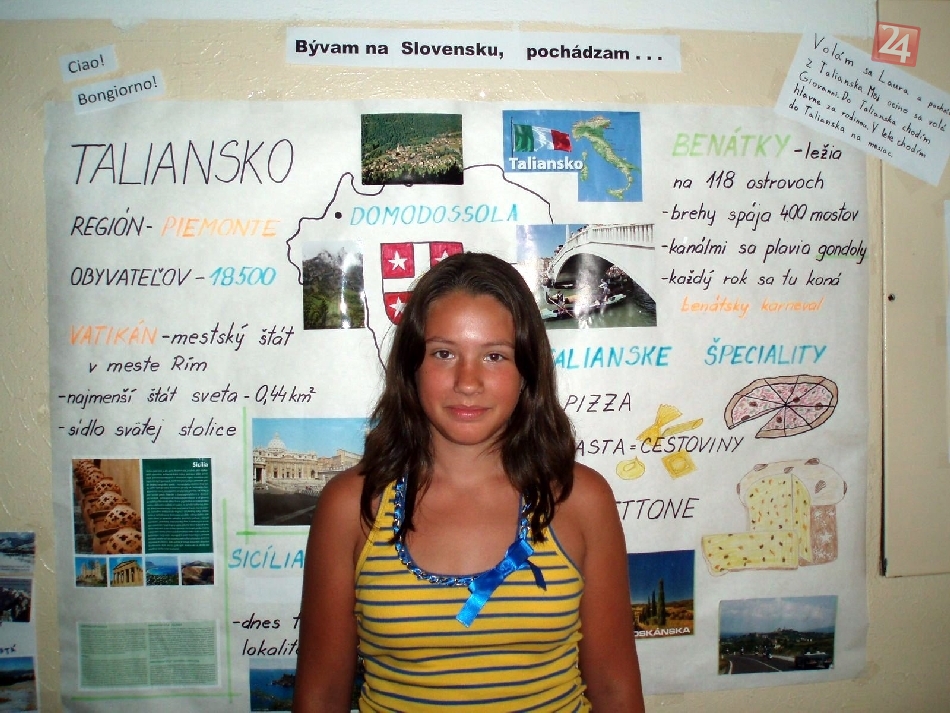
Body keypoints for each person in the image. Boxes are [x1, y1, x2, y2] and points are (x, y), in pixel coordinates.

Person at [293, 252, 644, 712]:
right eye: (444, 353)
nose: (468, 382)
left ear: (527, 372)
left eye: (494, 356)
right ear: (412, 366)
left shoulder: (580, 499)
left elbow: (615, 689)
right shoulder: (352, 505)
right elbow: (320, 695)